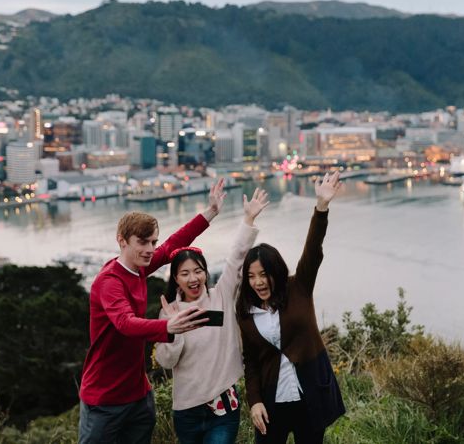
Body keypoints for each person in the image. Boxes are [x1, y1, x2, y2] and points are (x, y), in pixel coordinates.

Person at [78, 179, 228, 444]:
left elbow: (173, 245)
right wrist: (167, 327)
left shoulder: (139, 268)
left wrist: (211, 212)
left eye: (152, 242)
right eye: (142, 242)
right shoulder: (109, 281)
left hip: (138, 396)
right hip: (104, 400)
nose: (150, 249)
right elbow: (125, 323)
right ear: (122, 241)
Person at [236, 172, 346, 444]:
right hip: (272, 402)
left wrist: (321, 207)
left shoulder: (299, 287)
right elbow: (251, 362)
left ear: (276, 271)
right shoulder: (246, 311)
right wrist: (255, 402)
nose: (258, 282)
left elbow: (313, 248)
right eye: (251, 276)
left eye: (263, 274)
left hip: (310, 396)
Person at [155, 188, 269, 444]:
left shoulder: (221, 296)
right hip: (186, 410)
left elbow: (236, 259)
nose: (193, 278)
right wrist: (173, 330)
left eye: (198, 271)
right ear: (175, 279)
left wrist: (248, 220)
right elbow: (166, 361)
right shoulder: (169, 312)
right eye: (185, 274)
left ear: (206, 273)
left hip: (223, 403)